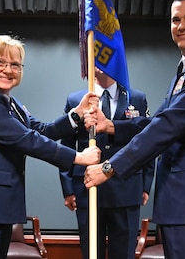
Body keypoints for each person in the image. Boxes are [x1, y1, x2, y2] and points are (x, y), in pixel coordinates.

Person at [83, 0, 185, 259]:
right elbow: (156, 121)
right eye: (175, 20)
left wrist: (109, 167)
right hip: (181, 200)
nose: (181, 26)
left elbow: (169, 126)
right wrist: (111, 127)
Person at [0, 34, 101, 259]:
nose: (7, 70)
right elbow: (27, 140)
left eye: (15, 65)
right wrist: (78, 157)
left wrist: (75, 115)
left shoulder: (11, 103)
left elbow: (42, 130)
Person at [59, 67, 155, 259]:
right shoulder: (76, 100)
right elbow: (67, 146)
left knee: (124, 253)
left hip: (126, 187)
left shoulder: (136, 98)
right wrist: (68, 188)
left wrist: (145, 184)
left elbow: (147, 142)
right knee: (91, 253)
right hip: (88, 189)